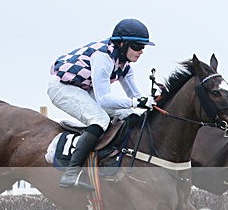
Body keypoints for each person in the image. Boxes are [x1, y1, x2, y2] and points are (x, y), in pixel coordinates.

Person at [48, 19, 155, 190]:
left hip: (83, 88)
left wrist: (152, 101)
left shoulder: (125, 65)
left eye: (143, 47)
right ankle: (71, 174)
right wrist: (136, 102)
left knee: (129, 113)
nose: (141, 51)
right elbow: (104, 100)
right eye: (137, 46)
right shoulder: (103, 58)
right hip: (62, 86)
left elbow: (135, 97)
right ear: (122, 44)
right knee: (100, 119)